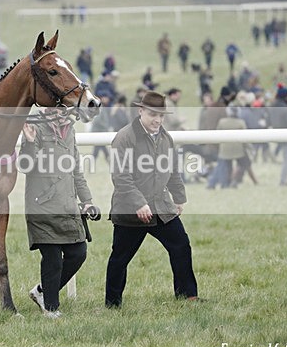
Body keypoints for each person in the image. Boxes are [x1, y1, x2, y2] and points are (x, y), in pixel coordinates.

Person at [105, 91, 200, 307]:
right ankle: (112, 304)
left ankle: (188, 296)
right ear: (140, 111)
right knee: (121, 257)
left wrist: (179, 197)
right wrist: (139, 203)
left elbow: (173, 169)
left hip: (161, 206)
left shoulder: (166, 137)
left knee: (181, 245)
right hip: (131, 209)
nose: (157, 120)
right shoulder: (124, 137)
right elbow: (120, 176)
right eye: (152, 114)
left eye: (161, 115)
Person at [20, 109, 97, 318]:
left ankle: (42, 292)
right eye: (58, 107)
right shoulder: (34, 126)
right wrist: (28, 142)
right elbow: (25, 166)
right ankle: (51, 309)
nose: (62, 112)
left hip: (68, 206)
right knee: (52, 258)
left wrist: (87, 201)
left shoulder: (70, 130)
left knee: (78, 253)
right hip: (42, 207)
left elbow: (76, 170)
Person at [268, 86, 287, 186]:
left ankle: (273, 155)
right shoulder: (286, 109)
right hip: (286, 136)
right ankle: (283, 180)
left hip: (276, 133)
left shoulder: (272, 107)